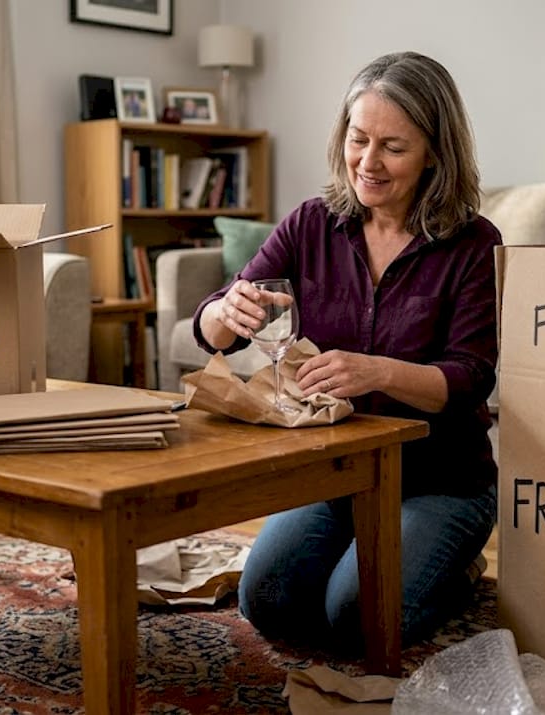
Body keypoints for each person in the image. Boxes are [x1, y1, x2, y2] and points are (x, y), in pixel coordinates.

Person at [191, 51, 501, 651]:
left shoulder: (473, 244)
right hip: (334, 470)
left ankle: (459, 570)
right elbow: (214, 324)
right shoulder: (312, 223)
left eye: (393, 146)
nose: (368, 162)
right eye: (358, 139)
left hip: (440, 482)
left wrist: (376, 371)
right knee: (268, 602)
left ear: (436, 152)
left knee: (357, 616)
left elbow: (471, 378)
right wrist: (225, 312)